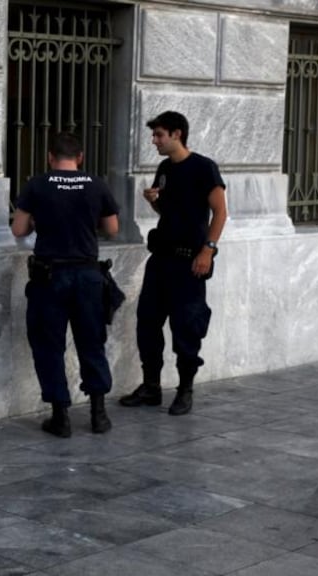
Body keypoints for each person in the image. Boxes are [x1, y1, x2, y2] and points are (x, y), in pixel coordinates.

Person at [12, 132, 120, 438]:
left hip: (50, 277)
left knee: (49, 346)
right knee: (91, 342)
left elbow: (18, 228)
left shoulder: (38, 184)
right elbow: (113, 229)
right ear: (80, 157)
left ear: (50, 156)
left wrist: (37, 221)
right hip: (88, 276)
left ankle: (60, 417)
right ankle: (99, 414)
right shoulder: (96, 184)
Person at [119, 111, 227, 415]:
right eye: (154, 135)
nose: (155, 141)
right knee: (147, 323)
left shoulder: (204, 168)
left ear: (177, 134)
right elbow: (167, 211)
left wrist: (208, 250)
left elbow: (220, 212)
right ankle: (151, 387)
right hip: (161, 260)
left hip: (189, 263)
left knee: (186, 329)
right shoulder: (165, 167)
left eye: (159, 135)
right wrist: (153, 200)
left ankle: (185, 390)